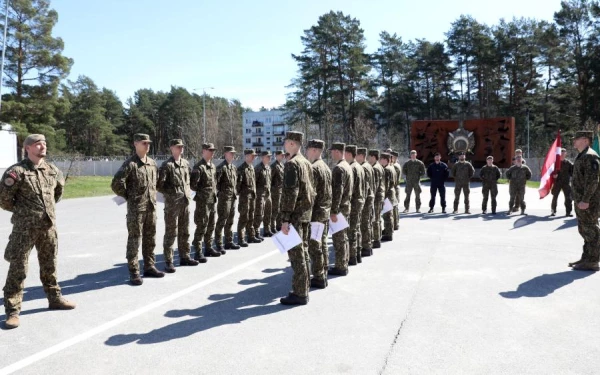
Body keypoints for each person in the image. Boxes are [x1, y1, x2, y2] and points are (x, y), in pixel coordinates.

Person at [1, 134, 76, 329]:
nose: (42, 146)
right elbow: (4, 199)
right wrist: (25, 213)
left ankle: (54, 298)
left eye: (44, 143)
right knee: (18, 268)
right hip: (24, 229)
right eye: (37, 144)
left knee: (49, 264)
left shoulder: (52, 170)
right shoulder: (16, 172)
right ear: (27, 148)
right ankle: (13, 311)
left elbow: (57, 193)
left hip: (48, 227)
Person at [112, 133, 165, 286]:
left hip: (151, 208)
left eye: (148, 143)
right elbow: (116, 183)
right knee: (135, 240)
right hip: (137, 209)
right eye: (143, 143)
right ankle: (134, 271)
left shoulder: (152, 163)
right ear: (135, 144)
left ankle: (149, 266)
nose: (147, 145)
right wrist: (130, 196)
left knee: (150, 238)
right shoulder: (130, 164)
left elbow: (157, 183)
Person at [279, 131, 314, 305]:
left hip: (295, 217)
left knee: (297, 255)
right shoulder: (306, 163)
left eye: (286, 142)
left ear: (292, 143)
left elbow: (290, 193)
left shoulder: (292, 164)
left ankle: (300, 293)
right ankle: (303, 288)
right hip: (305, 214)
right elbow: (311, 191)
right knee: (304, 252)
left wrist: (285, 218)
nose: (284, 144)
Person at [157, 139, 200, 272]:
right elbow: (159, 186)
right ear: (171, 148)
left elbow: (189, 183)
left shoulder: (186, 164)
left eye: (182, 146)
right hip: (172, 204)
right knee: (171, 232)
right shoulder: (166, 165)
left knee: (185, 231)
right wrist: (172, 194)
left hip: (185, 203)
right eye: (178, 146)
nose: (181, 148)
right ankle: (169, 261)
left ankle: (185, 256)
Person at [569, 131, 600, 271]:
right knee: (584, 229)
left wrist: (586, 199)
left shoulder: (590, 156)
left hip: (589, 202)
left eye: (576, 139)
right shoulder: (582, 155)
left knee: (591, 229)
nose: (574, 141)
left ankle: (593, 261)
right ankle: (587, 257)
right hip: (581, 200)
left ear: (586, 140)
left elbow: (593, 180)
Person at [306, 139, 331, 289]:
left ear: (315, 150)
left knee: (315, 246)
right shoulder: (326, 167)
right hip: (324, 212)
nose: (307, 152)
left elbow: (311, 194)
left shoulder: (314, 168)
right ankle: (323, 272)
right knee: (322, 244)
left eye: (308, 149)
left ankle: (319, 276)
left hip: (316, 214)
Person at [191, 143, 222, 260]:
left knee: (211, 225)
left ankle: (208, 247)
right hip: (202, 202)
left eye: (213, 150)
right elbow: (193, 185)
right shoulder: (199, 167)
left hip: (212, 201)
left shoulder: (213, 166)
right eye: (210, 150)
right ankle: (198, 252)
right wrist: (203, 193)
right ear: (203, 151)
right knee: (201, 226)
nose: (212, 152)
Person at [328, 143, 353, 276]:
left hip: (340, 209)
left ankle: (341, 266)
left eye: (332, 151)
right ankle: (343, 263)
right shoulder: (347, 166)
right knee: (343, 238)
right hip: (345, 206)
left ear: (337, 152)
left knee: (339, 239)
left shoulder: (339, 168)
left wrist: (333, 211)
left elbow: (338, 191)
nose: (331, 154)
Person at [214, 146, 240, 251]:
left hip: (232, 197)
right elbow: (216, 183)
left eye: (233, 153)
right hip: (224, 199)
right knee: (222, 220)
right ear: (225, 154)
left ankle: (229, 241)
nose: (233, 155)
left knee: (230, 220)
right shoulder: (221, 168)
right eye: (231, 153)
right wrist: (222, 193)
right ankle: (219, 243)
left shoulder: (233, 167)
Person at [346, 145, 365, 265]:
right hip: (359, 201)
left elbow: (349, 189)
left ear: (349, 154)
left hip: (353, 202)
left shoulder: (352, 167)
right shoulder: (359, 167)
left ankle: (352, 256)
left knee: (352, 230)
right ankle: (357, 253)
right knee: (357, 228)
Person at [237, 149, 259, 246]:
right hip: (245, 197)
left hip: (252, 196)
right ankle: (241, 239)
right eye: (252, 155)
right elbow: (238, 185)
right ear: (246, 156)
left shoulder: (251, 167)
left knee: (251, 216)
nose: (254, 157)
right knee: (243, 217)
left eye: (254, 156)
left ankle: (251, 236)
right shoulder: (242, 169)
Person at [357, 147, 374, 257]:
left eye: (357, 155)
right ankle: (368, 245)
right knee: (367, 222)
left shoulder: (364, 167)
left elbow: (365, 186)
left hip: (366, 198)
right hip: (369, 197)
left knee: (364, 223)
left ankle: (366, 247)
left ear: (362, 156)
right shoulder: (368, 166)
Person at [254, 151, 272, 238]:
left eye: (270, 157)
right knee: (259, 213)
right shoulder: (258, 168)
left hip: (268, 194)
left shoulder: (268, 168)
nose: (269, 158)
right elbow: (254, 182)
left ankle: (266, 230)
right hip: (260, 194)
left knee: (268, 212)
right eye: (267, 156)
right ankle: (256, 232)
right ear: (262, 157)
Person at [369, 149, 385, 249]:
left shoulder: (375, 168)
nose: (368, 159)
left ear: (374, 157)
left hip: (377, 196)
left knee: (375, 219)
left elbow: (374, 185)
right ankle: (377, 238)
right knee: (378, 218)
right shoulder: (379, 166)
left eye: (369, 157)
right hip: (380, 195)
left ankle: (376, 239)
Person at [551, 148, 574, 217]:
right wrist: (553, 175)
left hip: (566, 183)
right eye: (561, 154)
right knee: (555, 197)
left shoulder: (568, 163)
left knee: (568, 198)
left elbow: (572, 172)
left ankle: (568, 212)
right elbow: (551, 172)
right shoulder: (555, 163)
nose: (562, 155)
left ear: (566, 154)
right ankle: (553, 211)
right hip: (557, 182)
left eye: (564, 154)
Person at [380, 153, 398, 241]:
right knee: (389, 214)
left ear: (385, 160)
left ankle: (388, 234)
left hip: (387, 194)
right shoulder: (391, 167)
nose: (380, 161)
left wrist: (383, 197)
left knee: (387, 215)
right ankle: (388, 230)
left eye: (381, 159)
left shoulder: (386, 169)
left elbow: (385, 185)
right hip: (391, 193)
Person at [270, 150, 285, 231]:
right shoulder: (274, 166)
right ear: (276, 155)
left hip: (281, 191)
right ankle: (272, 227)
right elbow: (270, 180)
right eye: (281, 155)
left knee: (280, 210)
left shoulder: (282, 165)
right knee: (275, 210)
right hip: (275, 191)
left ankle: (279, 226)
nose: (282, 156)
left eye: (283, 155)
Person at [390, 151, 402, 230]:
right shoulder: (396, 165)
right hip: (396, 187)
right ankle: (396, 223)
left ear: (394, 157)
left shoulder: (395, 166)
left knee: (394, 207)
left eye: (391, 157)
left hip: (394, 187)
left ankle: (395, 223)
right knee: (395, 206)